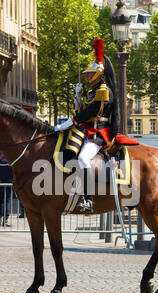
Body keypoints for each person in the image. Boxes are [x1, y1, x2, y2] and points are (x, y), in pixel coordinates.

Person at [54, 38, 119, 212]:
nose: (86, 76)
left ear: (98, 74)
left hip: (98, 132)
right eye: (86, 74)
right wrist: (77, 96)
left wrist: (69, 123)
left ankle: (89, 200)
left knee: (83, 158)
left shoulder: (103, 91)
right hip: (87, 129)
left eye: (89, 74)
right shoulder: (92, 91)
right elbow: (81, 109)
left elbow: (92, 112)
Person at [0, 152, 13, 227]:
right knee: (7, 201)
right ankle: (5, 220)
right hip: (9, 184)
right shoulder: (10, 162)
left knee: (1, 201)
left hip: (0, 183)